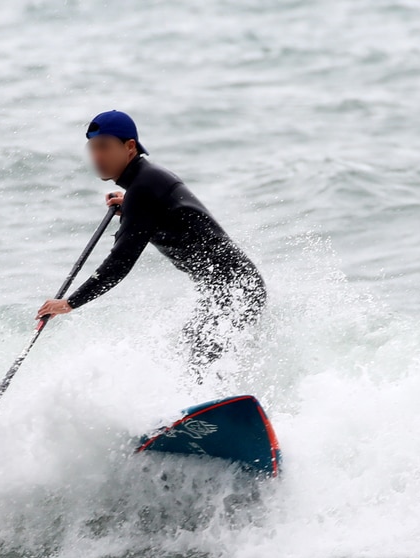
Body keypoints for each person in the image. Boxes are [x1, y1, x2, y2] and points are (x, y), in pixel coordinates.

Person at [36, 110, 266, 378]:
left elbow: (120, 263)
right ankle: (190, 415)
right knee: (192, 354)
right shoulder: (144, 186)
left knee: (200, 361)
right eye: (93, 149)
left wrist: (70, 302)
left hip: (237, 289)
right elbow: (160, 210)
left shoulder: (144, 188)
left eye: (105, 148)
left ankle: (214, 415)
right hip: (230, 288)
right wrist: (131, 207)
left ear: (129, 147)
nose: (97, 157)